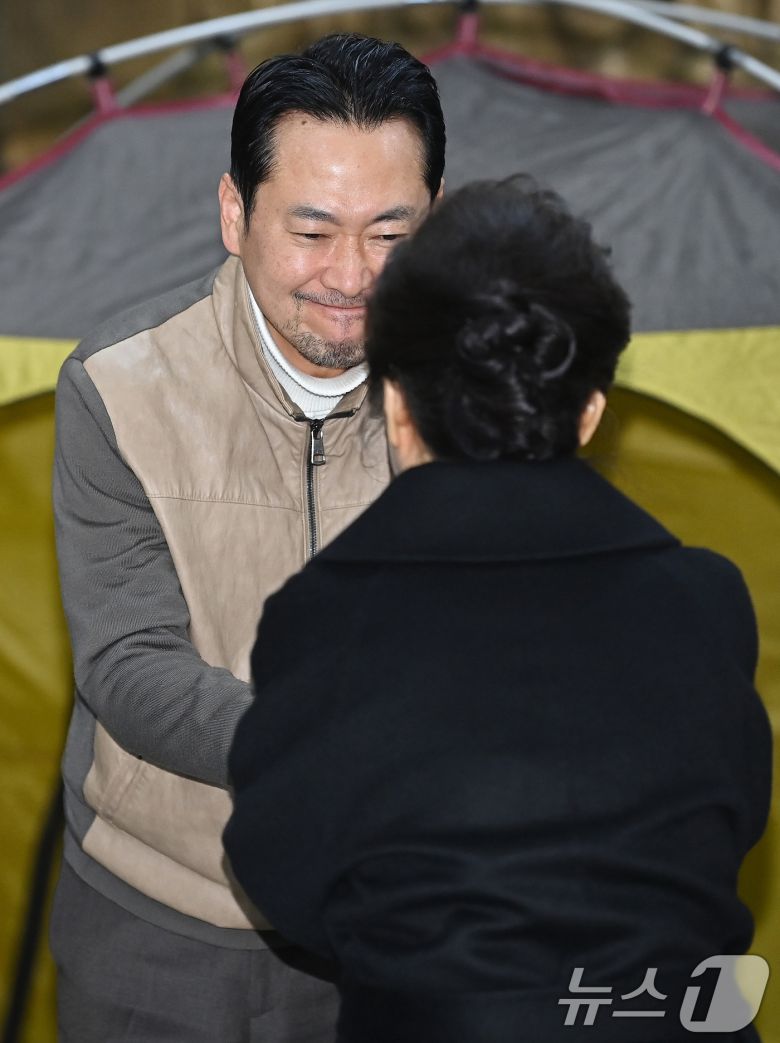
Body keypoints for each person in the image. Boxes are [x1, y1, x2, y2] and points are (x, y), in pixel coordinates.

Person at [224, 177, 772, 1043]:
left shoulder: (323, 613)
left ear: (396, 407)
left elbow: (282, 871)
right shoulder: (706, 599)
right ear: (589, 413)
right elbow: (726, 827)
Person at [51, 32, 445, 1042]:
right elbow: (129, 661)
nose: (351, 276)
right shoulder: (120, 385)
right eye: (311, 231)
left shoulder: (474, 395)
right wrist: (332, 740)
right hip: (157, 915)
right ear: (236, 213)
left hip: (394, 914)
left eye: (389, 234)